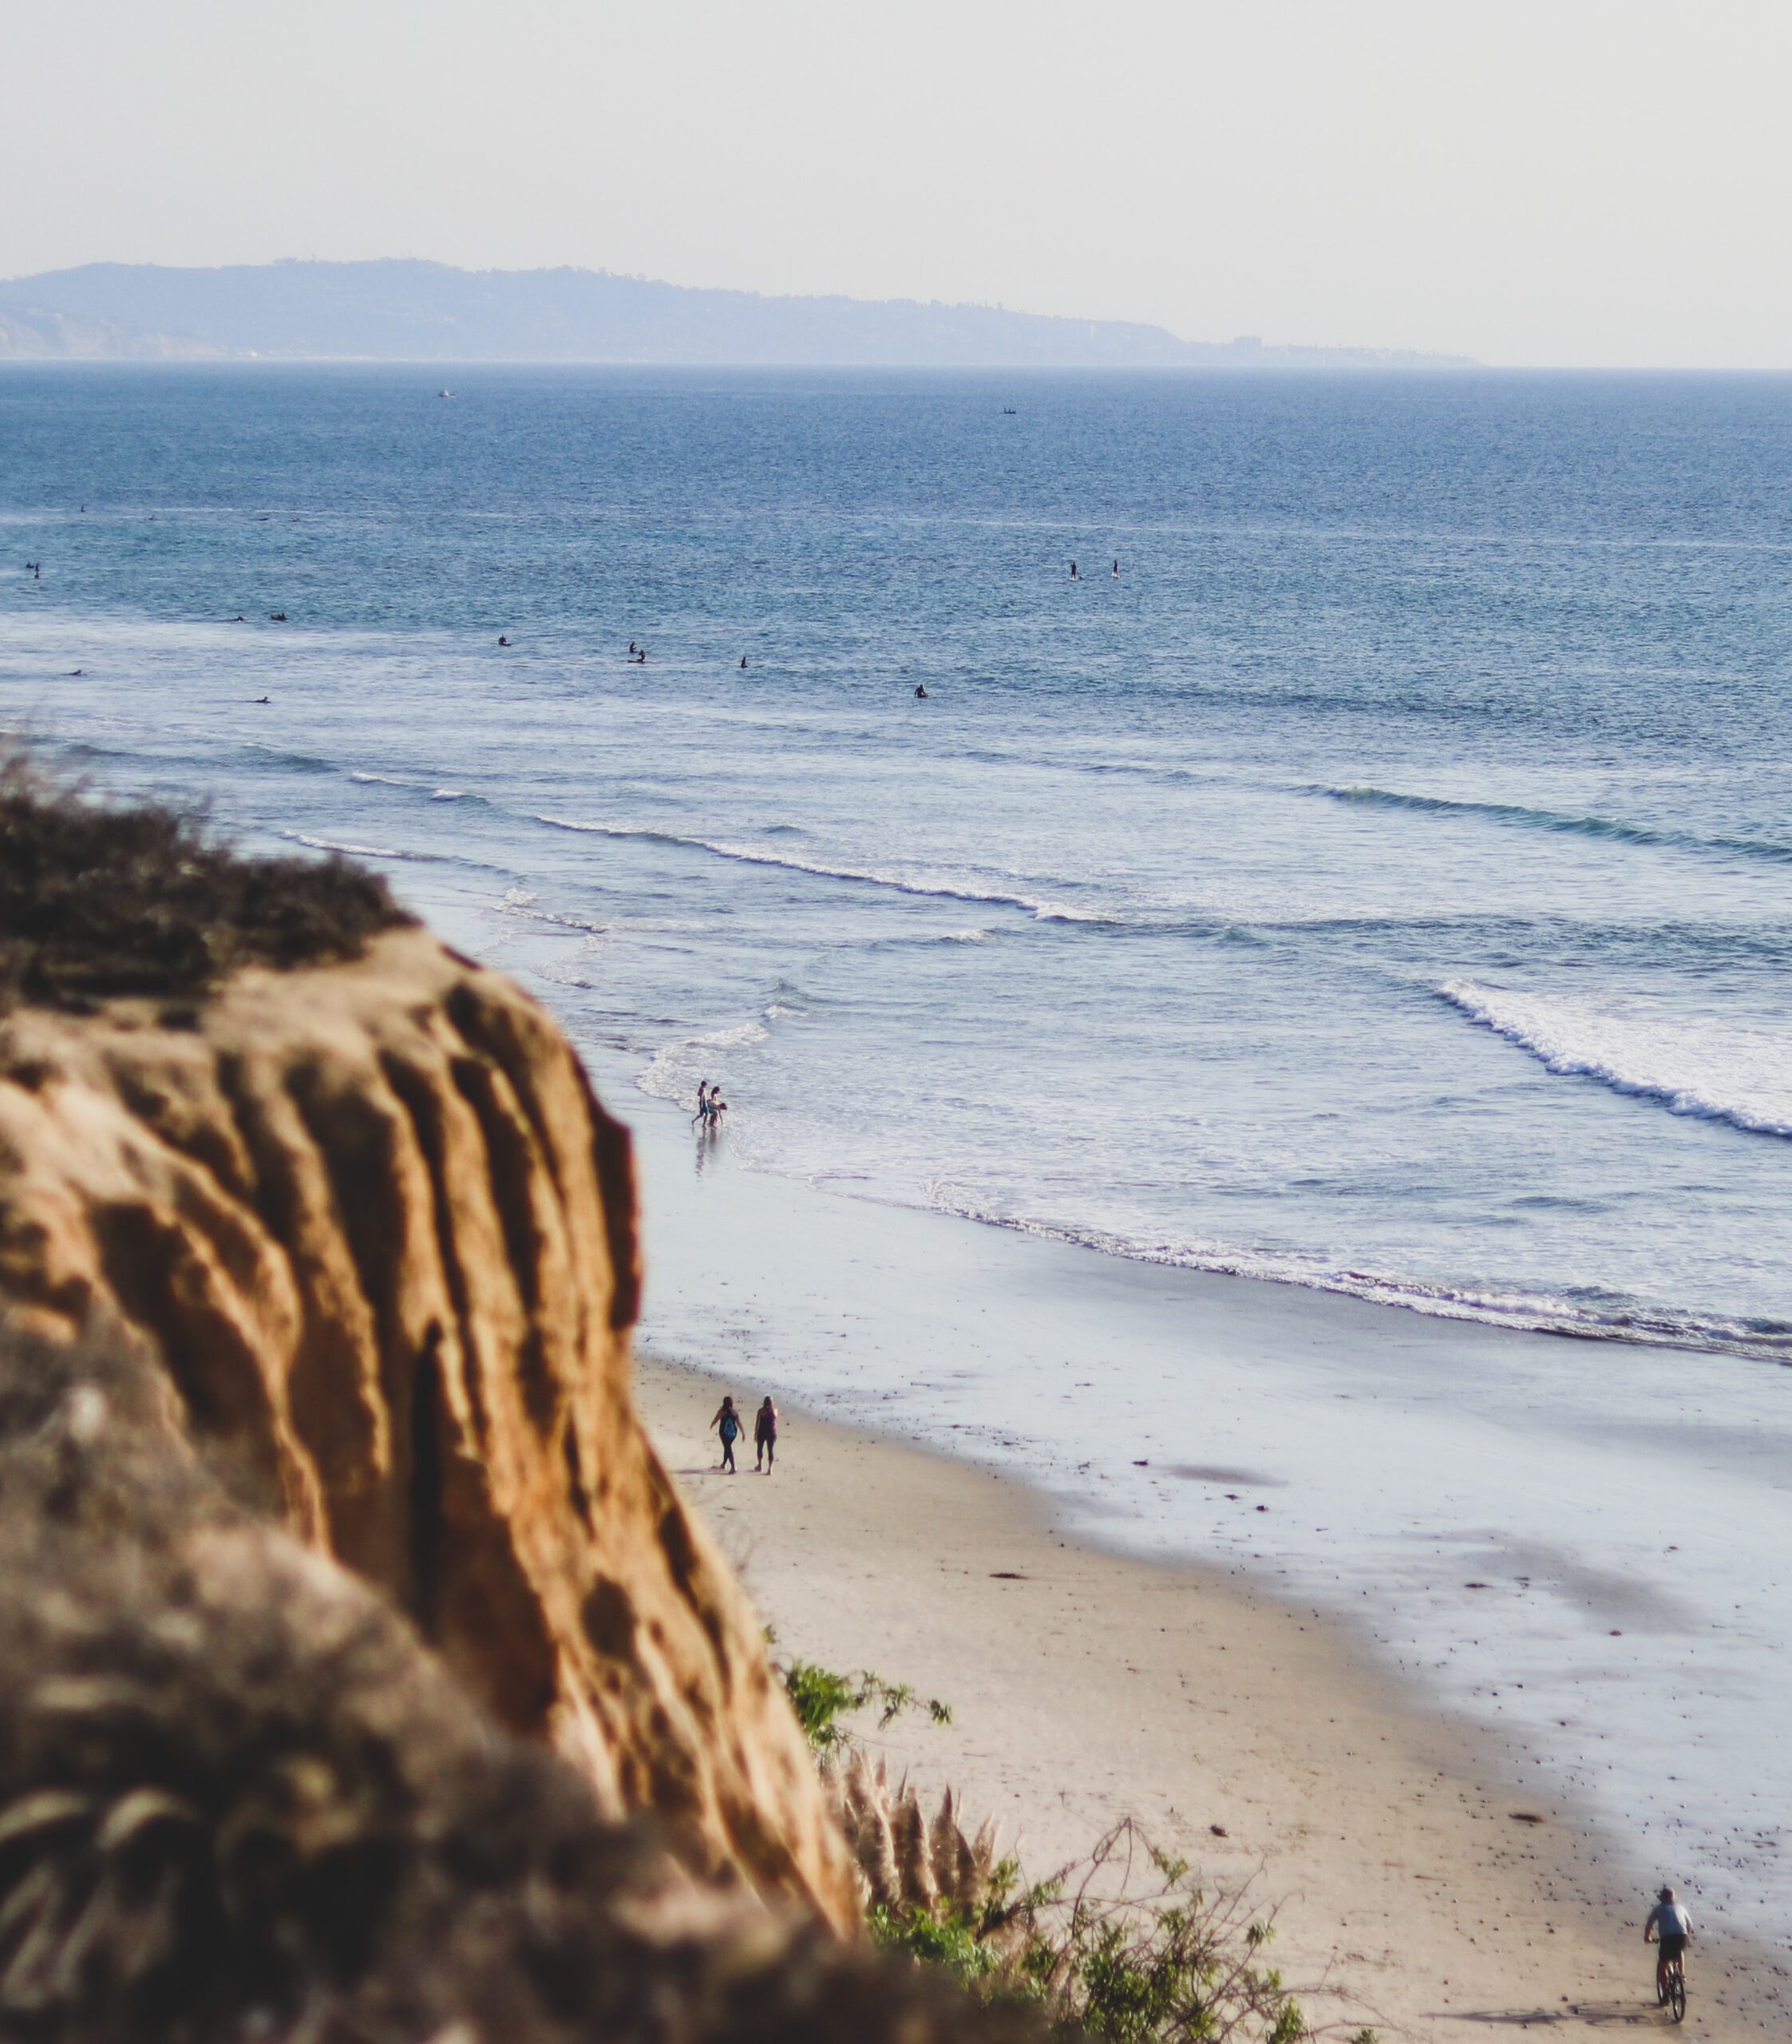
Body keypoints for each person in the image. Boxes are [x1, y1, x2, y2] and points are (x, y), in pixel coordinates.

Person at [1644, 1886, 1692, 2002]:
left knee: (1663, 1965)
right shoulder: (1681, 1908)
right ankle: (1681, 1974)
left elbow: (1649, 1925)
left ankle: (1665, 1995)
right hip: (1682, 1937)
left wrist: (1648, 1938)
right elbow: (1690, 1926)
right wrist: (1685, 1934)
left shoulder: (1658, 1909)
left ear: (1662, 1899)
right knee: (1680, 1951)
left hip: (1667, 1939)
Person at [710, 1396, 742, 1473]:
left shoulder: (721, 1411)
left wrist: (712, 1424)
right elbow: (739, 1423)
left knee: (728, 1448)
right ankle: (724, 1464)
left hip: (724, 1432)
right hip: (733, 1433)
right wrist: (743, 1432)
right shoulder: (735, 1412)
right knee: (727, 1447)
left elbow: (716, 1419)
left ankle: (733, 1466)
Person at [754, 1396, 778, 1472]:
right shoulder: (775, 1411)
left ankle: (760, 1465)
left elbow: (757, 1422)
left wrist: (755, 1433)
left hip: (762, 1431)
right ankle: (770, 1468)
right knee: (770, 1450)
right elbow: (774, 1421)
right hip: (772, 1431)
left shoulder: (761, 1411)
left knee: (760, 1448)